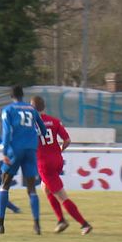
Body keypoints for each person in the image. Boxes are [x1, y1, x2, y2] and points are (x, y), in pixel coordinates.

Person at [31, 96, 92, 235]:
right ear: (43, 107)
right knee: (45, 188)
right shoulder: (54, 121)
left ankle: (84, 224)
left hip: (44, 163)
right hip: (57, 159)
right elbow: (67, 140)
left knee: (61, 196)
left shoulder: (31, 125)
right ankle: (61, 220)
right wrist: (59, 150)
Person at [0, 85, 46, 235]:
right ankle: (37, 225)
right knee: (31, 188)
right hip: (30, 149)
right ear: (23, 95)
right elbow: (43, 130)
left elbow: (7, 131)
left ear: (11, 96)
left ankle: (0, 225)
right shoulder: (32, 109)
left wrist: (5, 151)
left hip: (15, 149)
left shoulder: (8, 110)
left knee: (5, 184)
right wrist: (31, 136)